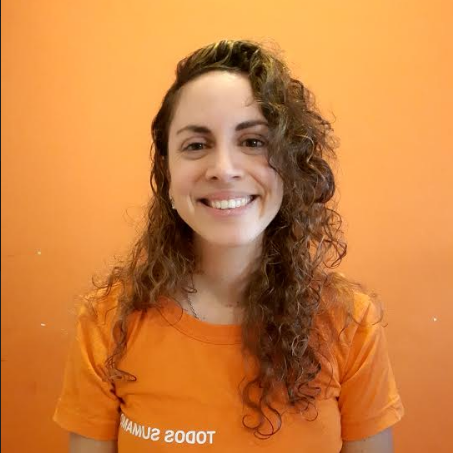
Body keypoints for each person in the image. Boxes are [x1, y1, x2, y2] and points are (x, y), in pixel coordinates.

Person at [53, 39, 404, 452]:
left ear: (289, 165)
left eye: (253, 141)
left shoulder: (350, 324)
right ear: (167, 172)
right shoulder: (106, 323)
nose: (223, 169)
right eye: (196, 145)